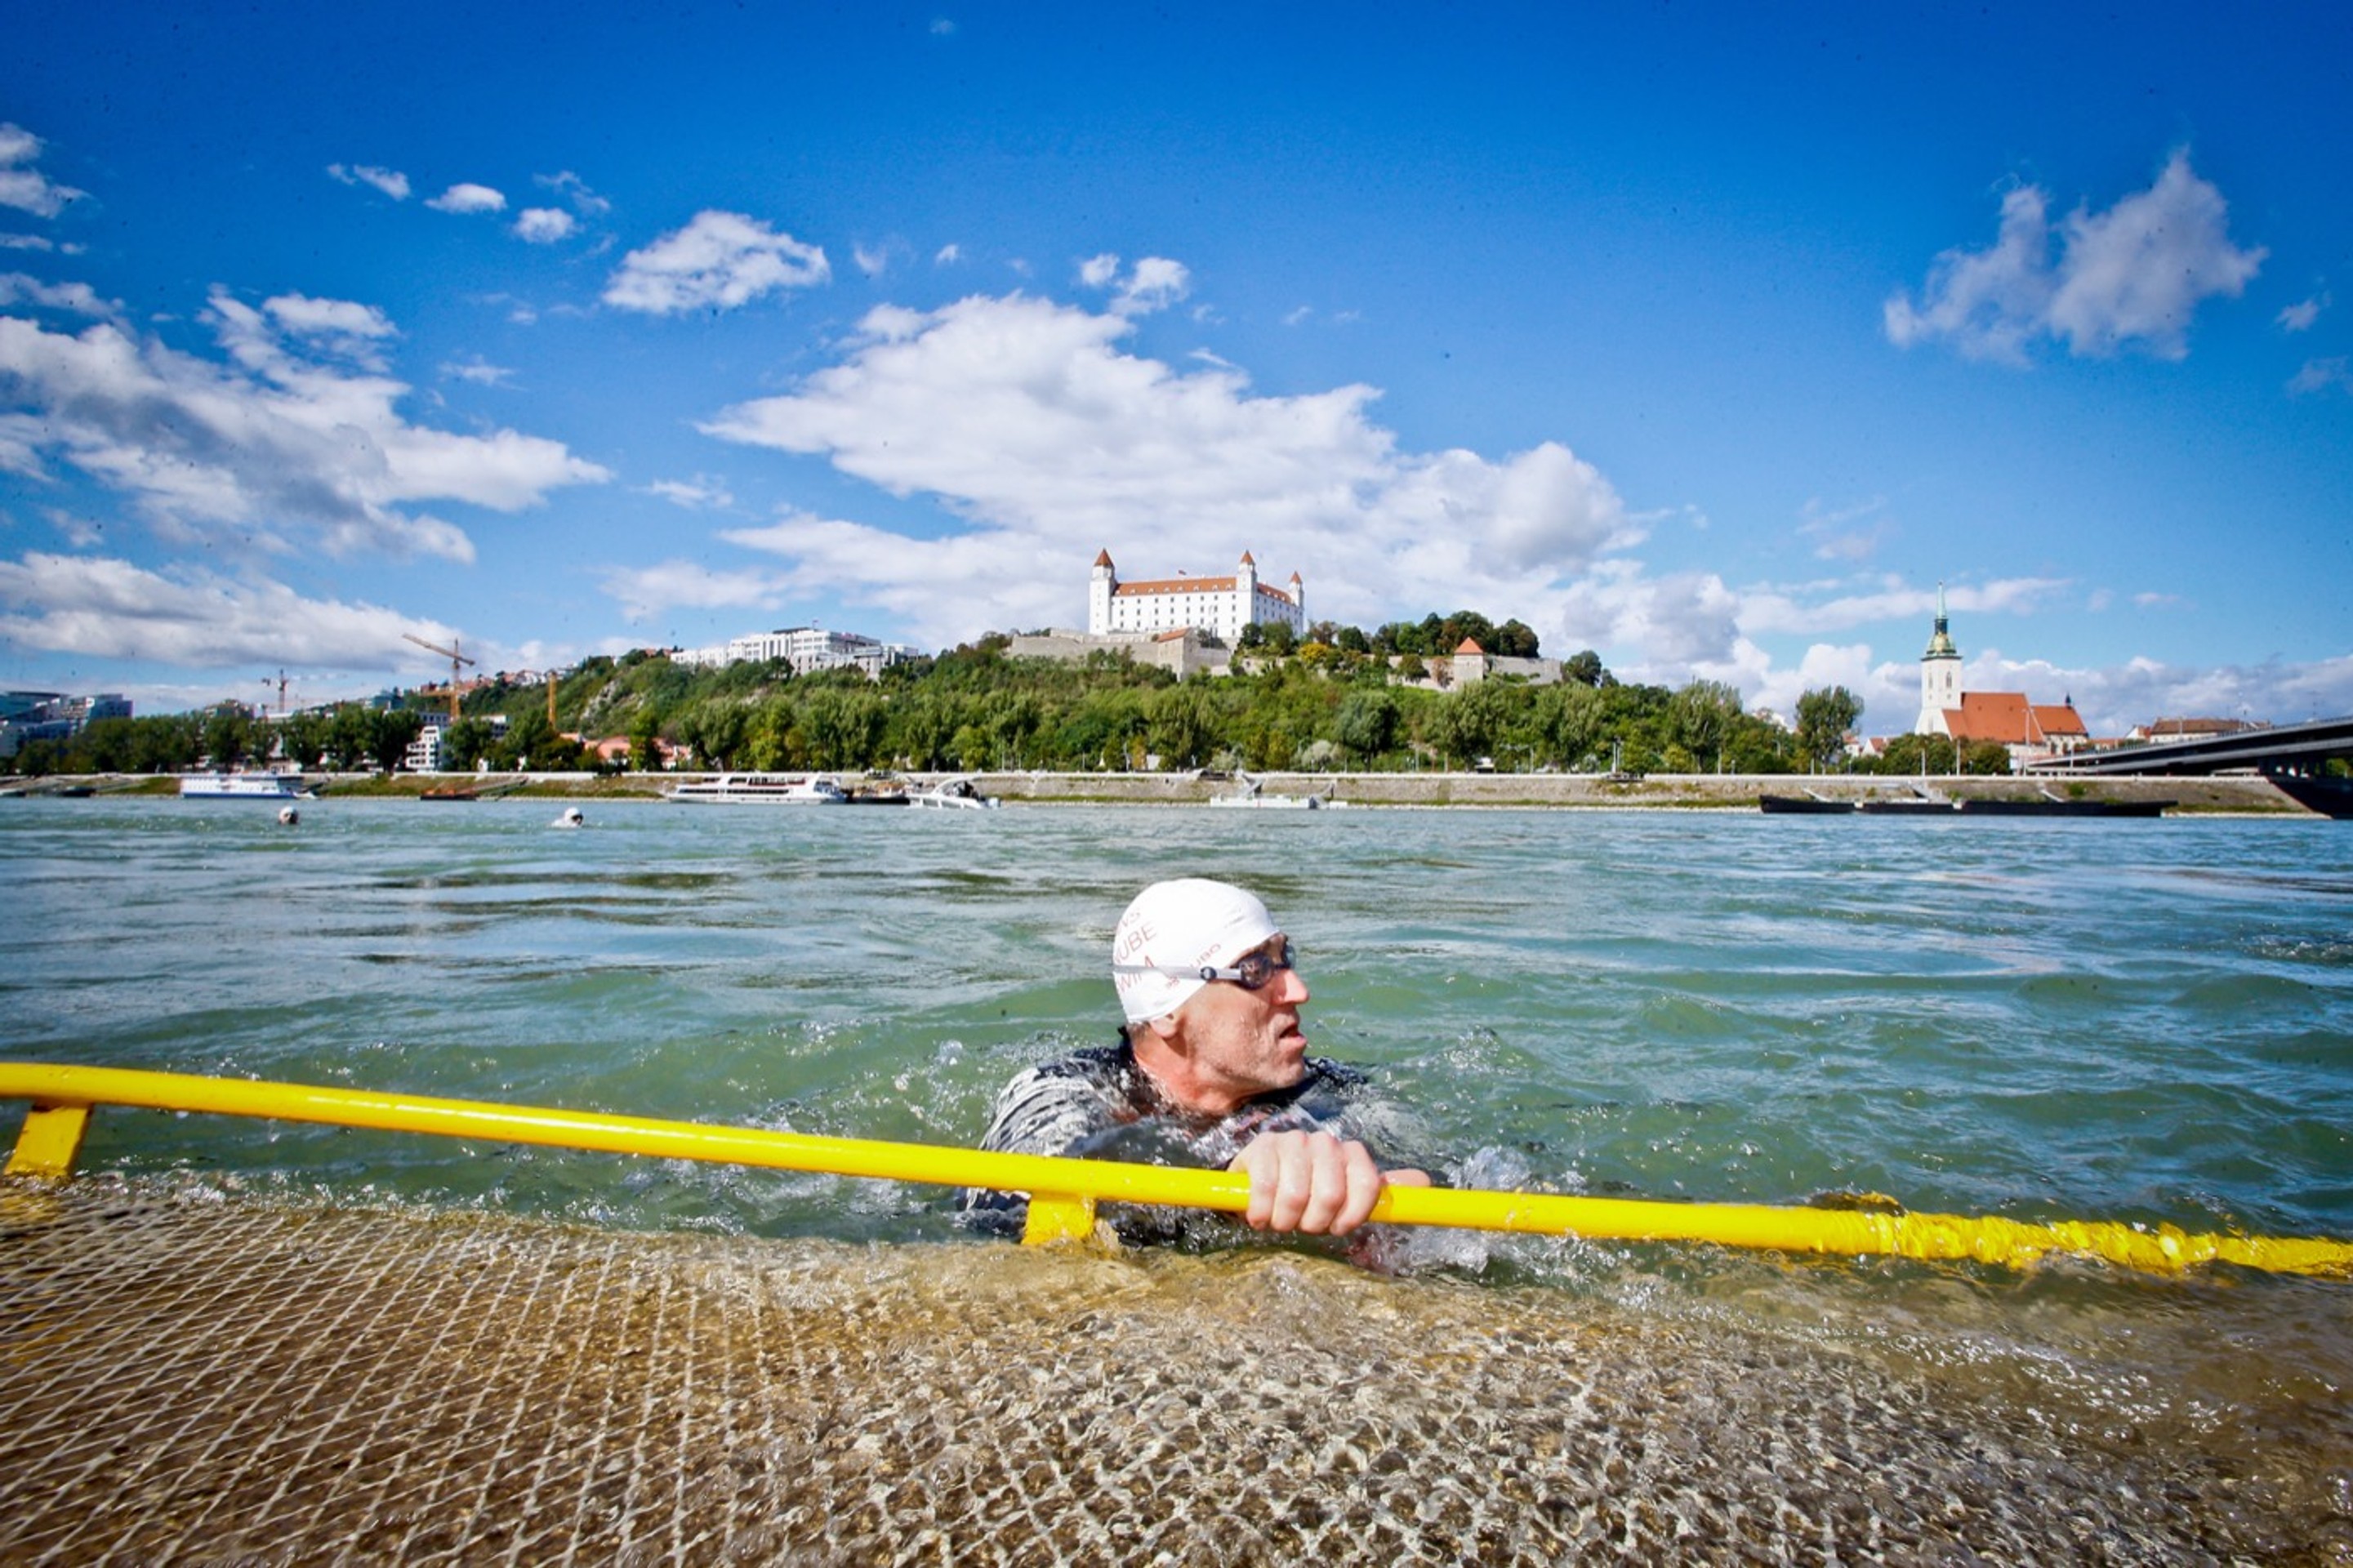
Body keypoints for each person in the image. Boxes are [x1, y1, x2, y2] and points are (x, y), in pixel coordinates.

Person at [964, 877, 1429, 1242]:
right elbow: (1013, 1209)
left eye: (1285, 958)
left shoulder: (1330, 1091)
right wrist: (1229, 1184)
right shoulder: (1057, 1089)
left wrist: (1388, 1204)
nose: (1298, 990)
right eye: (1255, 970)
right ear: (1168, 1012)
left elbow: (1448, 1181)